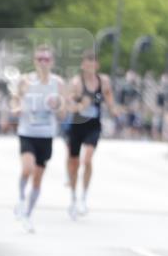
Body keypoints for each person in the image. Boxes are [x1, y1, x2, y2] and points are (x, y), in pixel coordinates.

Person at [13, 44, 67, 233]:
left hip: (46, 135)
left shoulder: (58, 83)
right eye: (40, 59)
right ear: (35, 62)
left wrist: (57, 105)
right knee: (27, 168)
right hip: (27, 132)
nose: (43, 63)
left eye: (47, 59)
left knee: (37, 179)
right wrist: (17, 109)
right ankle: (20, 199)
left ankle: (28, 214)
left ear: (52, 62)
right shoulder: (25, 80)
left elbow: (63, 114)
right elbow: (15, 102)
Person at [66, 50, 116, 218]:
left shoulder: (104, 81)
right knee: (74, 163)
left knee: (87, 159)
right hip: (77, 126)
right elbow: (69, 102)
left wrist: (113, 108)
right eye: (87, 64)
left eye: (93, 64)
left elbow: (109, 97)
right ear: (82, 65)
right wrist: (79, 105)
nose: (89, 68)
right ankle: (73, 197)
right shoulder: (76, 83)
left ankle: (83, 198)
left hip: (93, 126)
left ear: (97, 65)